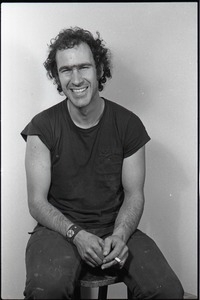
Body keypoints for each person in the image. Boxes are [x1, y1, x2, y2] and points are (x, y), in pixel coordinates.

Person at [21, 27, 184, 299]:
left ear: (99, 69)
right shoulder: (42, 127)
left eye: (84, 67)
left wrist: (120, 235)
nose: (75, 79)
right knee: (46, 290)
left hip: (115, 227)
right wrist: (77, 234)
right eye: (66, 70)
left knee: (166, 291)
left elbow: (134, 195)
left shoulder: (129, 124)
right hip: (59, 230)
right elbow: (36, 203)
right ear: (56, 76)